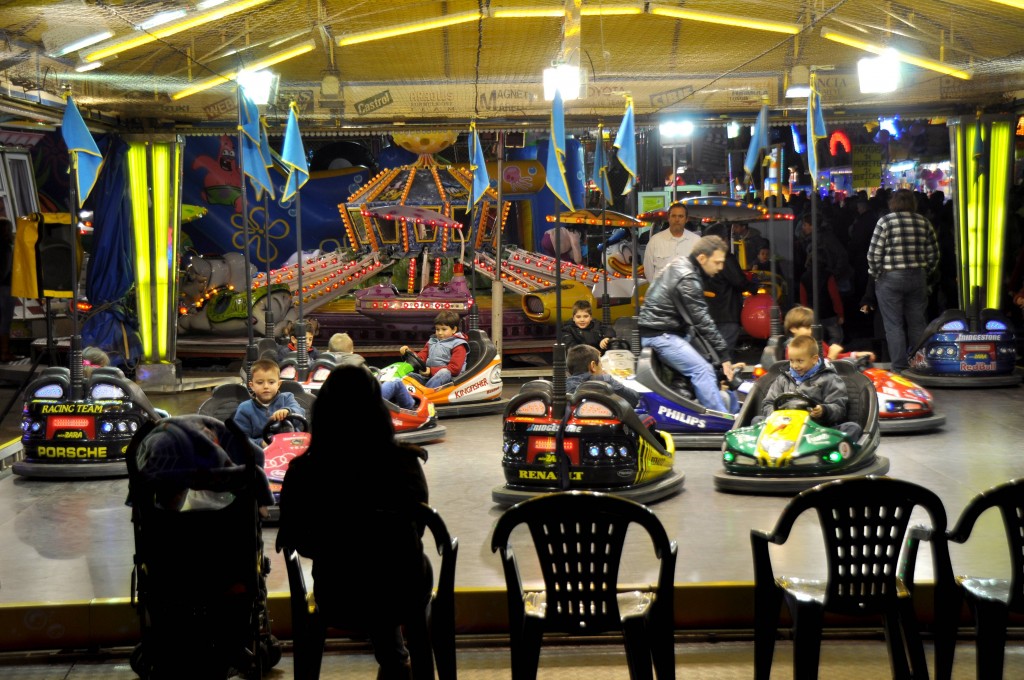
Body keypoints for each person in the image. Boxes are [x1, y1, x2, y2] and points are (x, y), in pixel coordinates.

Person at [277, 365, 431, 680]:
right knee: (393, 566)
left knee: (364, 569)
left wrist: (342, 542)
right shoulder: (404, 465)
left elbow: (299, 540)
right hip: (399, 593)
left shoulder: (304, 473)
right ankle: (397, 664)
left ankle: (395, 662)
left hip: (337, 595)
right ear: (378, 413)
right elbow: (419, 528)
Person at [638, 235, 736, 413]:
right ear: (702, 258)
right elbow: (702, 320)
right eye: (717, 262)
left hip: (667, 332)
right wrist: (724, 355)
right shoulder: (688, 277)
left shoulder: (683, 265)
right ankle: (723, 421)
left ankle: (732, 412)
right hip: (661, 335)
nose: (721, 268)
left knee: (711, 365)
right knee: (703, 370)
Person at [867, 188, 940, 373]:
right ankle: (918, 364)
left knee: (893, 325)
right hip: (917, 277)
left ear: (893, 203)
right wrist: (926, 273)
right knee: (917, 323)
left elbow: (874, 254)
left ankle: (899, 367)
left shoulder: (885, 221)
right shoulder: (924, 222)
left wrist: (877, 275)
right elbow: (934, 254)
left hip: (890, 278)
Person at [758, 334, 862, 440]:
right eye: (791, 360)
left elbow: (839, 408)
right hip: (784, 426)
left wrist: (823, 410)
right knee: (757, 421)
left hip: (817, 430)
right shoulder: (783, 379)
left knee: (852, 428)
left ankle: (821, 450)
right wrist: (776, 416)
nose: (794, 365)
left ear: (814, 359)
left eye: (800, 361)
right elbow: (768, 403)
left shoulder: (829, 378)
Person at [703, 224, 759, 354]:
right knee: (724, 354)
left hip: (708, 312)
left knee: (712, 352)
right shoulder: (725, 258)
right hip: (727, 313)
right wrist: (753, 288)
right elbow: (739, 281)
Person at [328, 332, 418, 410]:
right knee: (396, 382)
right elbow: (372, 385)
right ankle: (412, 411)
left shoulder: (322, 364)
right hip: (365, 404)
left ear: (329, 350)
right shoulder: (357, 364)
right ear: (352, 351)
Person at [233, 358, 306, 449]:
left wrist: (288, 411)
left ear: (278, 384)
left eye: (271, 382)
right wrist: (261, 443)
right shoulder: (245, 408)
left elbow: (300, 413)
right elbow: (241, 438)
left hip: (291, 445)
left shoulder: (287, 398)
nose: (266, 386)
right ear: (252, 386)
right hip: (263, 453)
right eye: (260, 383)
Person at [399, 310, 469, 389]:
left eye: (444, 329)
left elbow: (455, 369)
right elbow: (421, 357)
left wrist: (430, 371)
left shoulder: (458, 345)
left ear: (454, 329)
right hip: (429, 378)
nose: (439, 332)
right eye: (437, 329)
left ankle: (426, 394)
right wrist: (408, 352)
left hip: (449, 380)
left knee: (444, 372)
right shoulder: (432, 341)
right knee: (409, 376)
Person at [783, 305, 874, 362]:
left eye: (812, 327)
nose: (811, 331)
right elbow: (806, 371)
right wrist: (830, 358)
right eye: (807, 328)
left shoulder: (816, 342)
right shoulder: (794, 348)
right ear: (793, 329)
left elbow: (836, 357)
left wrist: (855, 355)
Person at [566, 344, 640, 407]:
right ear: (593, 366)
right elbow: (634, 399)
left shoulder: (562, 387)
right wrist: (615, 381)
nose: (603, 368)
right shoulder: (605, 380)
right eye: (601, 365)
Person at [643, 202, 700, 281]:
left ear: (686, 219)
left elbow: (700, 270)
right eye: (673, 216)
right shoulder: (655, 241)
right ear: (668, 218)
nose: (677, 220)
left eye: (681, 216)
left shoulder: (696, 241)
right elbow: (648, 270)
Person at [0, 218, 14, 362]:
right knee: (5, 320)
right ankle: (5, 352)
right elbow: (6, 268)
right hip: (5, 287)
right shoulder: (6, 247)